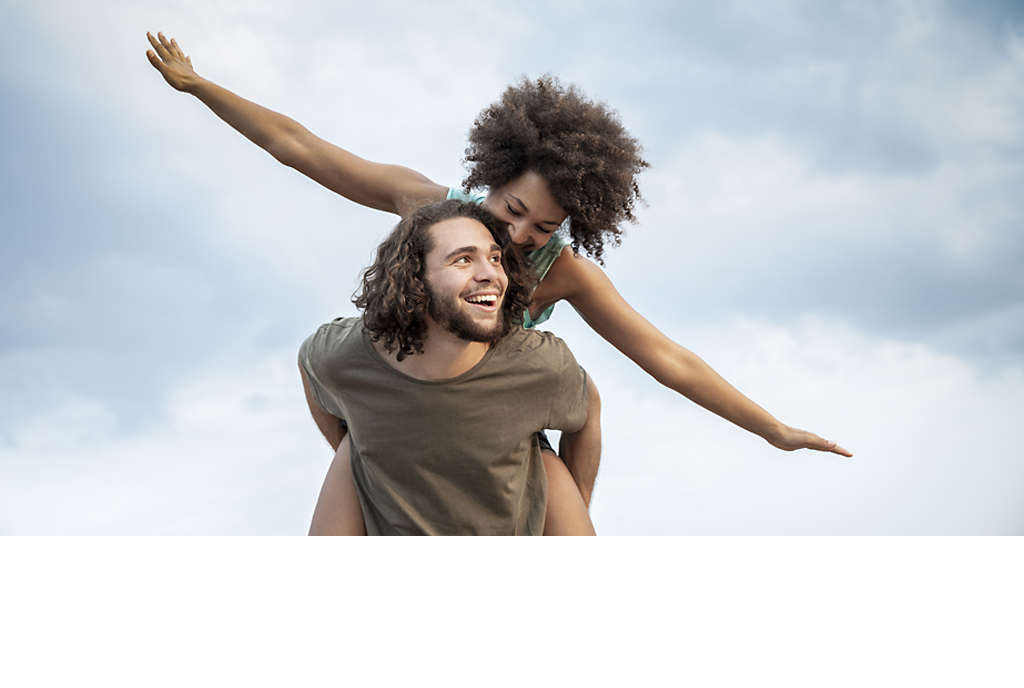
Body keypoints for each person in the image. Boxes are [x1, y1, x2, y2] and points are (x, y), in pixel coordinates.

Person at [146, 31, 851, 534]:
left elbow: (668, 359)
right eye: (511, 211)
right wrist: (202, 87)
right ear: (491, 178)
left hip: (502, 426)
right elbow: (299, 148)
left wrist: (772, 430)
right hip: (404, 396)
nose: (515, 238)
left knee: (580, 403)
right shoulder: (428, 206)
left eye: (542, 227)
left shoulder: (563, 273)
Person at [299, 197, 596, 535]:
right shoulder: (345, 354)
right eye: (463, 260)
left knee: (546, 462)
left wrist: (577, 501)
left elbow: (588, 408)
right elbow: (311, 367)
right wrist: (360, 449)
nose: (490, 274)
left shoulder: (537, 365)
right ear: (415, 278)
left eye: (495, 258)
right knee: (352, 450)